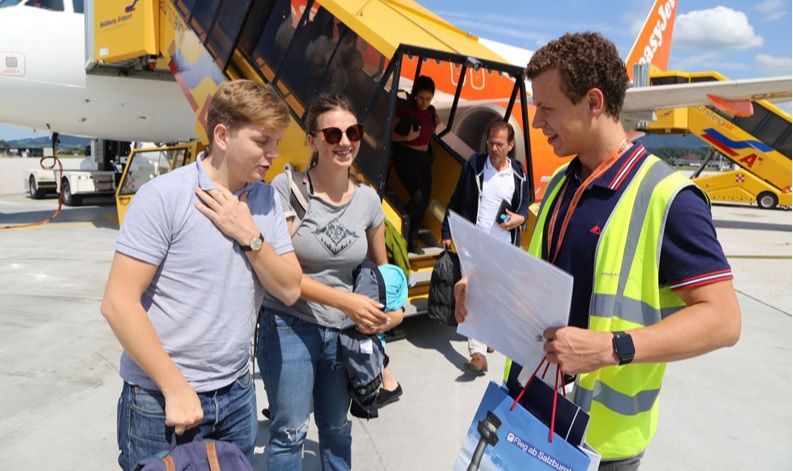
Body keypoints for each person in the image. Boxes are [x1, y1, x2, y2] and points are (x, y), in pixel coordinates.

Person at [454, 32, 741, 469]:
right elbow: (547, 282)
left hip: (600, 445)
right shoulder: (561, 184)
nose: (536, 122)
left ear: (593, 102)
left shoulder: (669, 198)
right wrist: (484, 290)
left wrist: (612, 347)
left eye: (547, 108)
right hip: (528, 409)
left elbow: (724, 320)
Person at [100, 80, 303, 470]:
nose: (274, 154)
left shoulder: (265, 201)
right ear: (222, 136)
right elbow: (118, 303)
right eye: (263, 141)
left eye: (276, 142)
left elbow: (290, 288)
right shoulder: (164, 196)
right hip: (160, 399)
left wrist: (249, 235)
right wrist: (174, 387)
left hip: (237, 393)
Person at [258, 94, 404, 470]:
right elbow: (281, 272)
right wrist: (345, 302)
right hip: (290, 323)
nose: (344, 142)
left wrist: (394, 312)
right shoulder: (288, 188)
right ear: (312, 140)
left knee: (337, 428)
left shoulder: (368, 200)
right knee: (290, 432)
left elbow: (382, 269)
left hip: (344, 333)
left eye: (352, 132)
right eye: (333, 134)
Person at [440, 120, 529, 375]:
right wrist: (447, 230)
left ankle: (488, 335)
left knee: (497, 296)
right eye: (490, 143)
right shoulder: (475, 166)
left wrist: (520, 219)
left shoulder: (518, 173)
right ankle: (477, 353)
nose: (493, 149)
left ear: (510, 146)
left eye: (499, 144)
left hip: (504, 247)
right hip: (474, 244)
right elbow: (457, 199)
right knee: (473, 295)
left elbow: (524, 203)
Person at [390, 75, 442, 252]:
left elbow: (428, 131)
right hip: (407, 156)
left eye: (428, 99)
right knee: (418, 198)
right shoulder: (406, 111)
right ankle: (399, 223)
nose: (423, 102)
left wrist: (436, 123)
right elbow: (390, 134)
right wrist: (407, 138)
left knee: (425, 200)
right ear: (414, 95)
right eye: (421, 98)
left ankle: (411, 240)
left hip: (423, 158)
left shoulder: (431, 112)